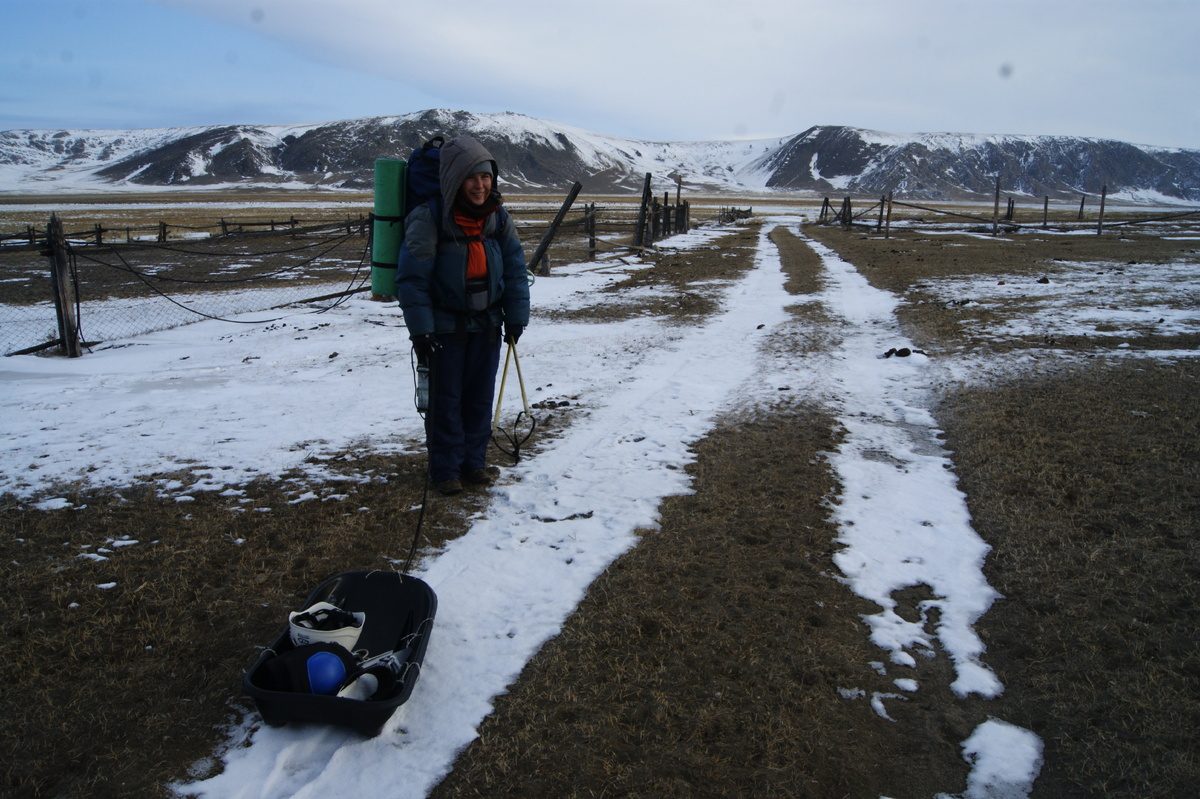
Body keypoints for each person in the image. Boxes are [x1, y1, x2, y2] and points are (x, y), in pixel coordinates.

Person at [397, 135, 530, 495]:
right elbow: (412, 280)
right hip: (443, 327)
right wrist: (421, 333)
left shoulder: (497, 217)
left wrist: (516, 316)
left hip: (487, 324)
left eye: (486, 177)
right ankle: (445, 470)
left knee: (479, 397)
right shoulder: (429, 216)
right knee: (446, 400)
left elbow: (516, 269)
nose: (480, 185)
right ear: (455, 178)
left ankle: (473, 463)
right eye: (472, 177)